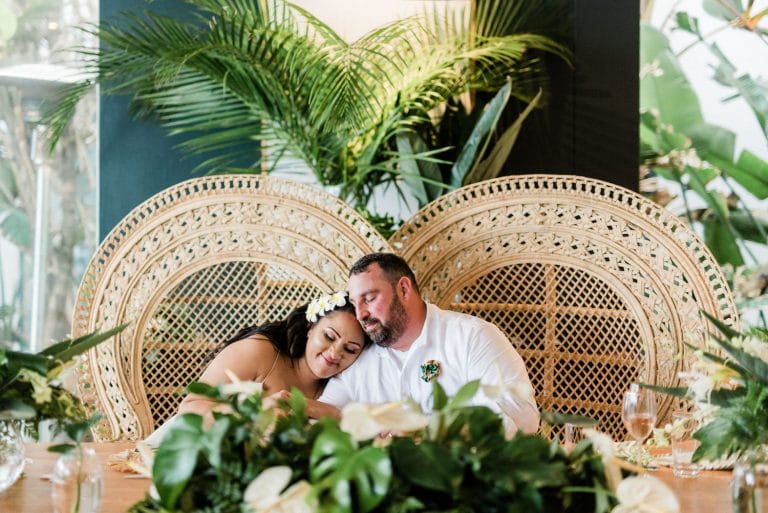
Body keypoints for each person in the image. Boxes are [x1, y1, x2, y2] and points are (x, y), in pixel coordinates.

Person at [319, 253, 540, 436]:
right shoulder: (359, 355)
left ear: (404, 289)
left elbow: (520, 417)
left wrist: (427, 434)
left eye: (369, 299)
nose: (360, 315)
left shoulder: (473, 337)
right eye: (355, 303)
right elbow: (326, 415)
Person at [145, 291, 369, 446]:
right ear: (310, 326)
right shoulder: (260, 352)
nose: (335, 353)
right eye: (329, 336)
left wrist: (318, 410)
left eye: (350, 349)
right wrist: (254, 414)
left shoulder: (341, 385)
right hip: (191, 451)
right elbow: (190, 407)